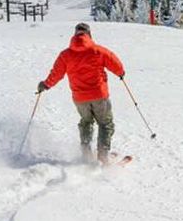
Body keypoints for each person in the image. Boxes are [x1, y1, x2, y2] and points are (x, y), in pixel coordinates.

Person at [37, 22, 125, 165]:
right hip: (99, 95)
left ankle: (86, 154)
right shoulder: (98, 50)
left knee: (86, 122)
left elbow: (56, 74)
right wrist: (120, 73)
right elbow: (115, 63)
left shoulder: (66, 54)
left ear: (75, 34)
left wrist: (46, 84)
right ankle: (102, 156)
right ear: (89, 34)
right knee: (105, 124)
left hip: (80, 98)